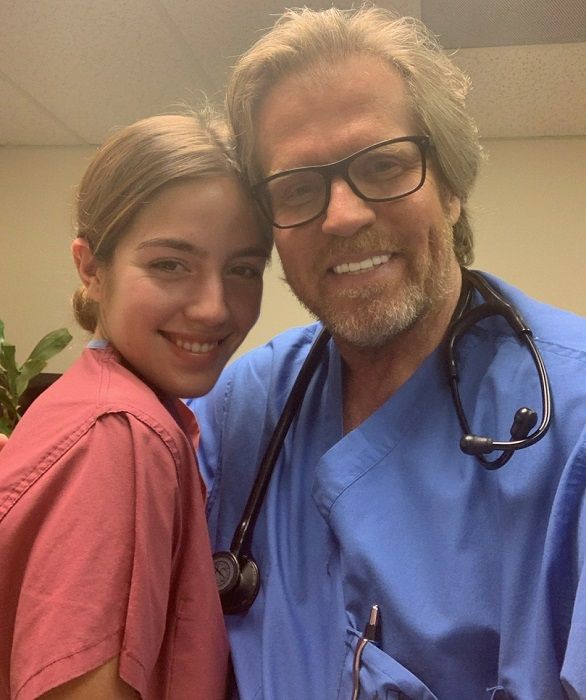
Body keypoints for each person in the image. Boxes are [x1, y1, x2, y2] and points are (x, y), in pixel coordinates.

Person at [189, 6, 586, 699]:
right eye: (297, 187)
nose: (342, 215)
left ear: (451, 187)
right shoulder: (239, 409)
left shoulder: (574, 418)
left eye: (383, 164)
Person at [0, 113, 271, 699]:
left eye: (243, 269)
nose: (214, 307)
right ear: (91, 268)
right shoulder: (121, 435)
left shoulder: (81, 405)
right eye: (170, 264)